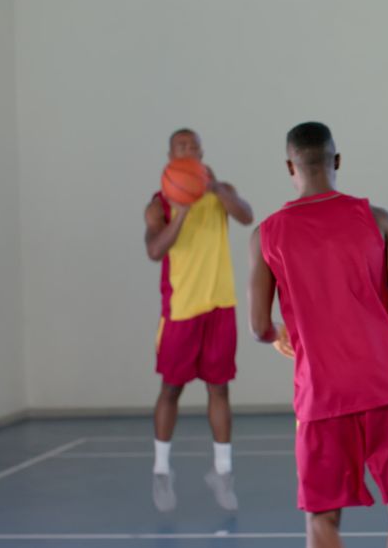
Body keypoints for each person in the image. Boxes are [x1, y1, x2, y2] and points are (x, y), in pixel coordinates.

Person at [248, 122, 388, 548]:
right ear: (337, 161)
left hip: (320, 393)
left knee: (321, 519)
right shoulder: (377, 219)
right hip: (386, 382)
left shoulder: (266, 234)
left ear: (290, 165)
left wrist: (279, 336)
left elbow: (259, 326)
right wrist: (380, 339)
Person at [144, 128, 253, 512]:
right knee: (171, 389)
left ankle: (222, 473)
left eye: (193, 146)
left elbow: (247, 215)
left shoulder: (220, 193)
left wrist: (215, 188)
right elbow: (155, 250)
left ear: (202, 154)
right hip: (181, 310)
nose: (188, 151)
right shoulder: (159, 204)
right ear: (170, 157)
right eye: (181, 147)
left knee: (219, 389)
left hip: (220, 306)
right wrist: (184, 207)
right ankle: (161, 471)